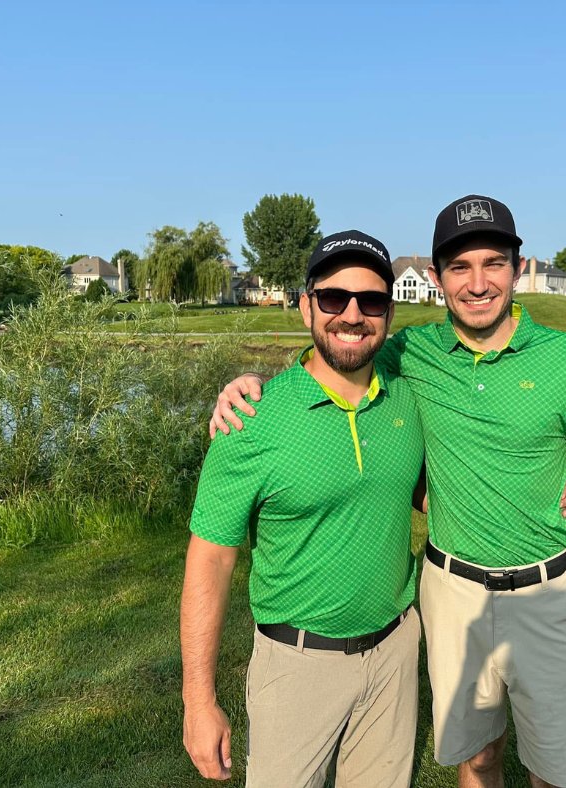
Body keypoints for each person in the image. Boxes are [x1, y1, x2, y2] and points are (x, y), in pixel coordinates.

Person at [211, 195, 566, 788]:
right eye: (460, 267)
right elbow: (338, 346)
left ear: (518, 266)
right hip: (451, 590)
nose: (479, 283)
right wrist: (254, 384)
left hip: (549, 591)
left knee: (556, 773)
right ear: (437, 279)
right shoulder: (413, 352)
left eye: (493, 263)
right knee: (478, 757)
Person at [180, 231, 427, 787]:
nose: (353, 315)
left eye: (372, 301)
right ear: (305, 306)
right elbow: (210, 560)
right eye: (334, 298)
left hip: (394, 652)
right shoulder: (251, 420)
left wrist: (541, 491)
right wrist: (198, 700)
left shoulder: (407, 396)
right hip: (296, 663)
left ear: (389, 313)